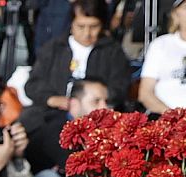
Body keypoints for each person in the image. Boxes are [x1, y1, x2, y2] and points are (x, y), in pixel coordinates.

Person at [22, 0, 131, 137]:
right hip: (53, 116)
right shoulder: (54, 48)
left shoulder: (112, 51)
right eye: (81, 26)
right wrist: (53, 99)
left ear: (102, 25)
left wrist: (95, 101)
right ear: (71, 24)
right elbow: (33, 85)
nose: (87, 33)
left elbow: (121, 88)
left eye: (93, 27)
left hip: (98, 120)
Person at [26, 78, 112, 177]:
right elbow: (75, 169)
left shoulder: (103, 131)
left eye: (105, 101)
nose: (105, 108)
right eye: (96, 101)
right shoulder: (57, 129)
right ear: (74, 104)